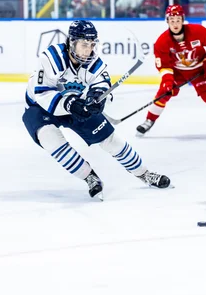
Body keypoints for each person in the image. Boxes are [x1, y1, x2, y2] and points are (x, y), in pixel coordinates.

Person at [22, 20, 171, 200]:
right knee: (50, 139)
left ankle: (144, 174)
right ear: (72, 42)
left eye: (92, 45)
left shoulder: (93, 62)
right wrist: (70, 105)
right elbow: (42, 94)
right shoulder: (51, 58)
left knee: (110, 139)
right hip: (40, 108)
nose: (88, 50)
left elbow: (102, 86)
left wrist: (97, 100)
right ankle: (89, 176)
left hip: (75, 103)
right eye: (84, 44)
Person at [136, 4, 206, 137]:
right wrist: (168, 82)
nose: (175, 24)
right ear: (167, 21)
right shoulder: (162, 42)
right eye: (172, 21)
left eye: (178, 20)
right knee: (163, 92)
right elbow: (164, 66)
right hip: (177, 72)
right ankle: (149, 120)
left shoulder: (198, 31)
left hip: (200, 70)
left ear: (183, 20)